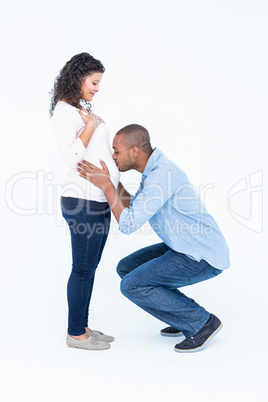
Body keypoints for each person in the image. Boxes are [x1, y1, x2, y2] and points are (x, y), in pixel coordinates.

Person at [76, 124, 230, 353]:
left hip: (202, 255)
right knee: (127, 268)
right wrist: (112, 180)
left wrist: (107, 185)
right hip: (182, 248)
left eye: (116, 151)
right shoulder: (154, 171)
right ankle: (181, 318)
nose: (113, 156)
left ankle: (201, 323)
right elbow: (132, 207)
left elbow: (128, 224)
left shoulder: (160, 176)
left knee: (131, 285)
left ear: (135, 151)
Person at [50, 52, 120, 351]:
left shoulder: (79, 109)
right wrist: (91, 124)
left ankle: (83, 325)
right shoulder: (64, 112)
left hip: (97, 198)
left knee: (89, 268)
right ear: (78, 78)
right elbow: (70, 157)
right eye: (94, 82)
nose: (97, 88)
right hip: (83, 200)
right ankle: (75, 333)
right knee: (82, 268)